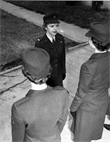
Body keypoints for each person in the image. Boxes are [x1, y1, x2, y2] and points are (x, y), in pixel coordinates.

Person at [11, 48, 70, 142]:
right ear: (49, 70)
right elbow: (62, 122)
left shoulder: (19, 108)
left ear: (25, 72)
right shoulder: (62, 93)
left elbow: (18, 138)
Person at [70, 22, 110, 142]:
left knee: (82, 135)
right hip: (102, 100)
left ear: (93, 42)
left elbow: (81, 92)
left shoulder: (88, 66)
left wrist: (73, 108)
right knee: (92, 130)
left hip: (88, 106)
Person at [35, 13, 66, 87]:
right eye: (52, 26)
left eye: (57, 26)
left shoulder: (60, 39)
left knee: (59, 94)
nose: (55, 29)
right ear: (45, 27)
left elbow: (62, 57)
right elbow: (40, 63)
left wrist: (63, 72)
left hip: (58, 75)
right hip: (47, 77)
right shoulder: (40, 43)